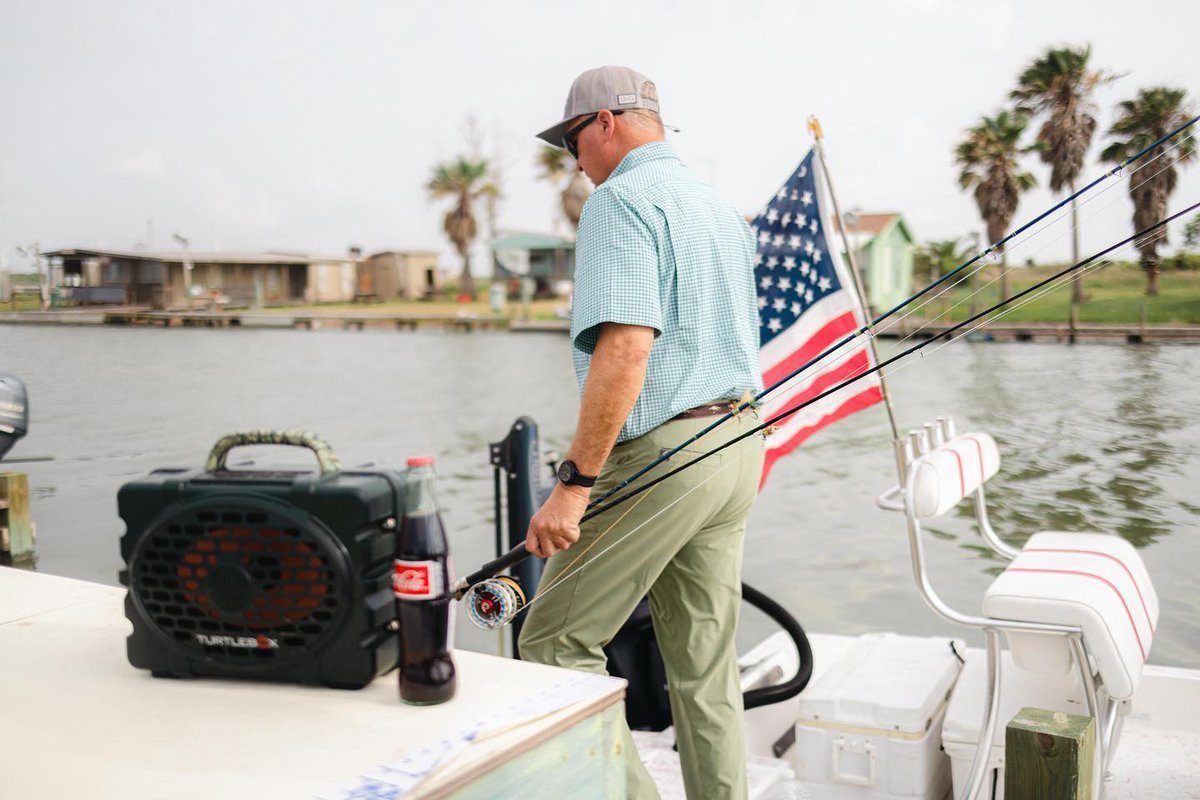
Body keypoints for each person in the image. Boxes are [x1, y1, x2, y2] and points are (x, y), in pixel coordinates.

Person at [518, 66, 765, 800]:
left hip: (666, 455)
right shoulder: (718, 209)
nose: (574, 161)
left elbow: (626, 350)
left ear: (604, 123)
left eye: (571, 142)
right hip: (739, 441)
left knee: (554, 644)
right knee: (705, 666)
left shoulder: (619, 201)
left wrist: (572, 487)